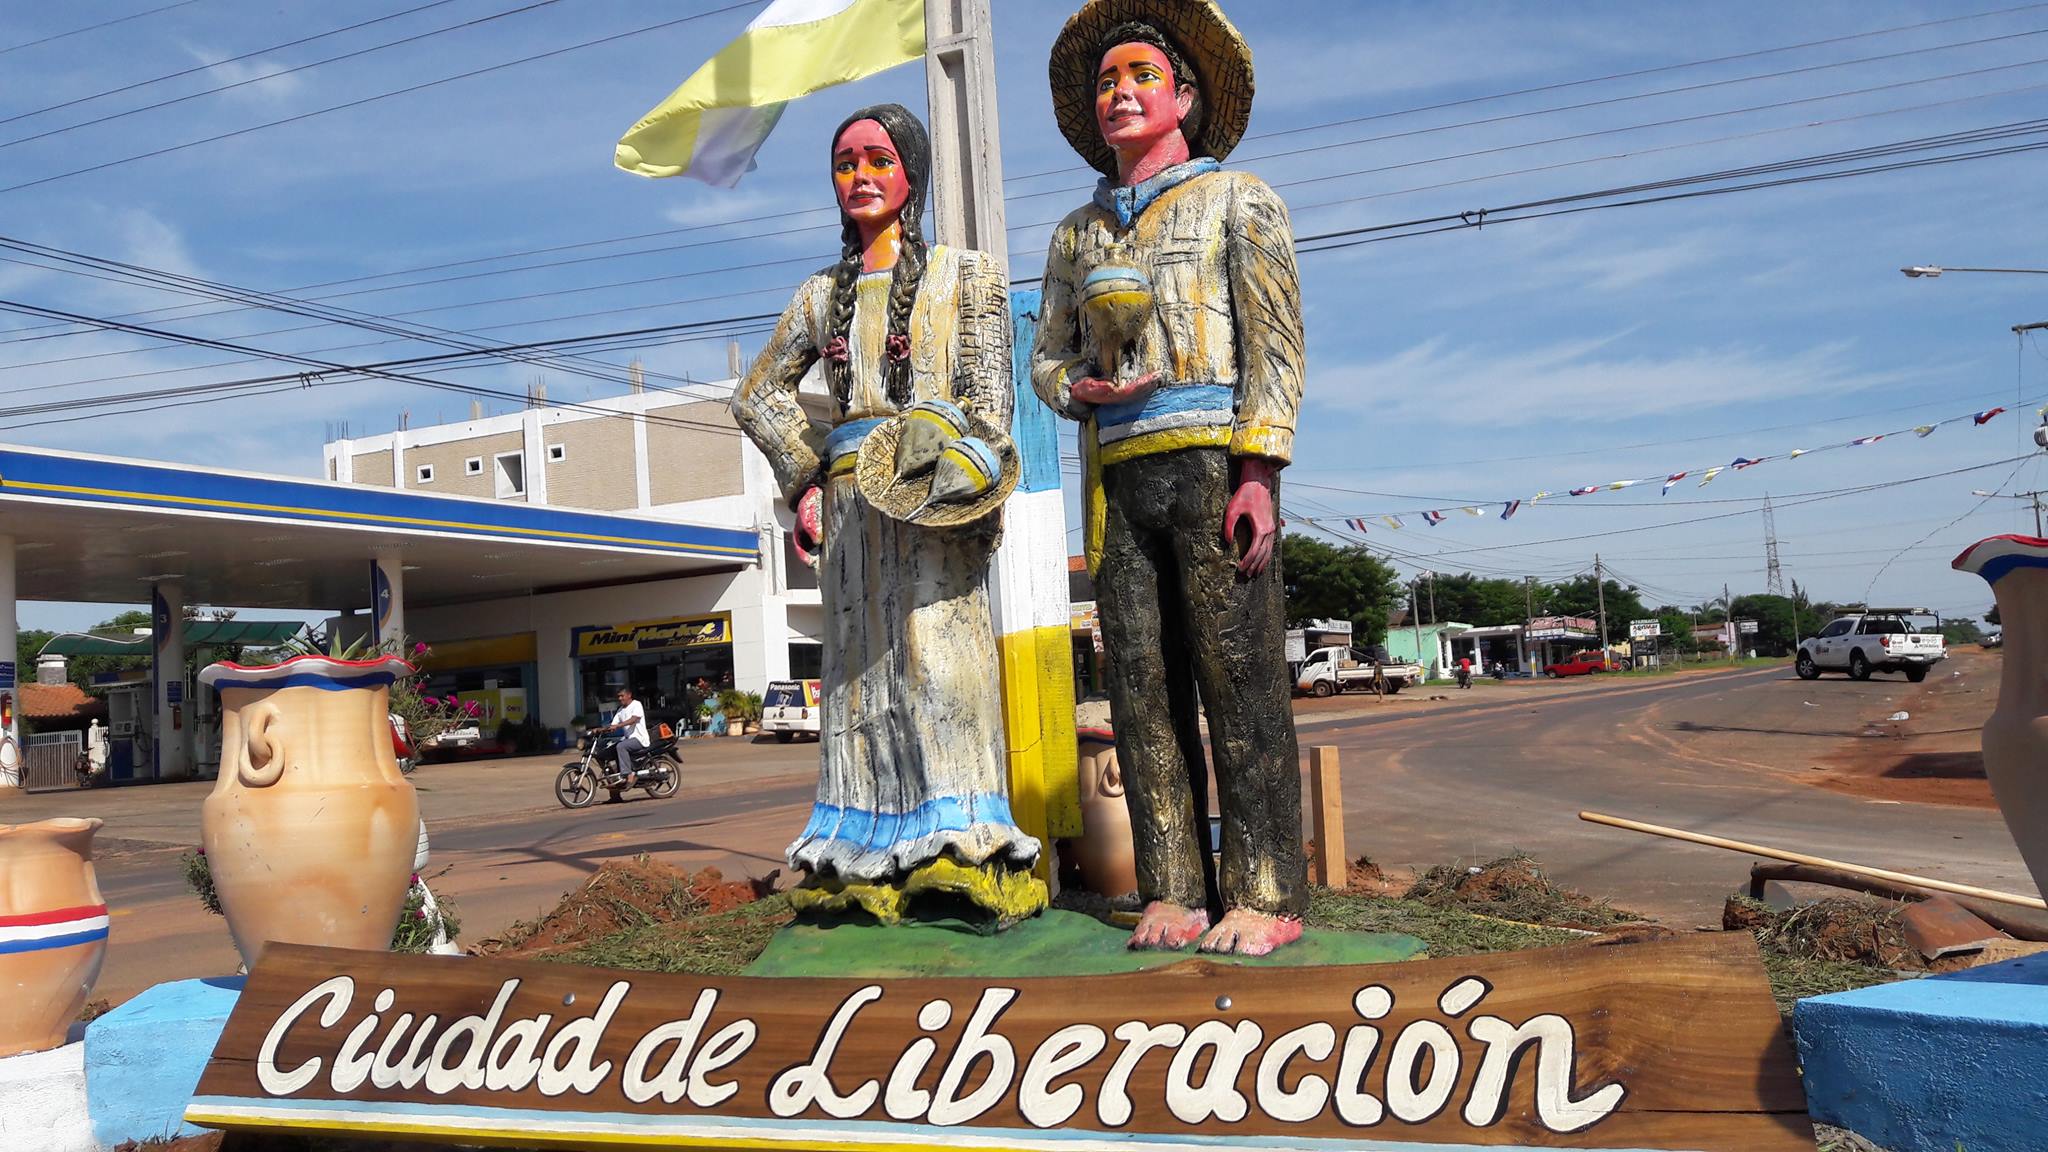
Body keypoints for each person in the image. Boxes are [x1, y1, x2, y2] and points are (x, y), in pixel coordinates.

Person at [1033, 0, 1306, 955]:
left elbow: (1274, 347)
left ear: (1185, 94)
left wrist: (1257, 471)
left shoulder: (1241, 200)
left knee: (1240, 683)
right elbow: (1046, 360)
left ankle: (1266, 890)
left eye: (1141, 76)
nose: (1121, 95)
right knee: (1142, 691)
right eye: (1108, 82)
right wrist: (1083, 385)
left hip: (1210, 463)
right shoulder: (1075, 234)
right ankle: (1174, 887)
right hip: (1116, 478)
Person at [730, 103, 1043, 924]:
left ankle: (960, 845)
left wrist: (962, 470)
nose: (861, 177)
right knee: (859, 680)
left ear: (912, 173)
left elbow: (988, 400)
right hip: (847, 515)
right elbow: (756, 395)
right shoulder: (817, 295)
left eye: (877, 159)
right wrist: (803, 480)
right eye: (845, 164)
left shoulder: (967, 276)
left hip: (933, 499)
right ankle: (860, 850)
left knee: (941, 662)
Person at [601, 686, 647, 790]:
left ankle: (629, 775)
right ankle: (615, 792)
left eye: (622, 696)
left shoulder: (636, 704)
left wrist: (618, 726)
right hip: (628, 739)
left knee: (621, 747)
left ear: (629, 695)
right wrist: (598, 729)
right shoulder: (620, 710)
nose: (620, 698)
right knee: (609, 750)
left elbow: (634, 719)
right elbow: (612, 725)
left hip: (639, 739)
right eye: (618, 696)